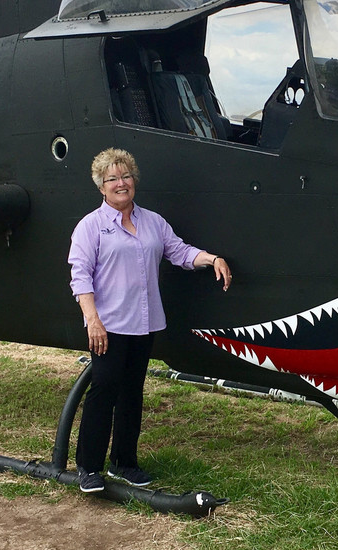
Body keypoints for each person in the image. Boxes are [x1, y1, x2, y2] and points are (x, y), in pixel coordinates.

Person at [68, 147, 232, 493]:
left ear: (134, 181)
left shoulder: (153, 222)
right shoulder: (91, 227)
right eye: (111, 178)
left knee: (132, 394)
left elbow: (179, 251)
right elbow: (80, 276)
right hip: (109, 326)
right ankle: (88, 468)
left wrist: (211, 258)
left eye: (125, 176)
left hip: (144, 324)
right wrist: (92, 321)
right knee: (104, 392)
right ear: (101, 186)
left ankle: (124, 463)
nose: (120, 183)